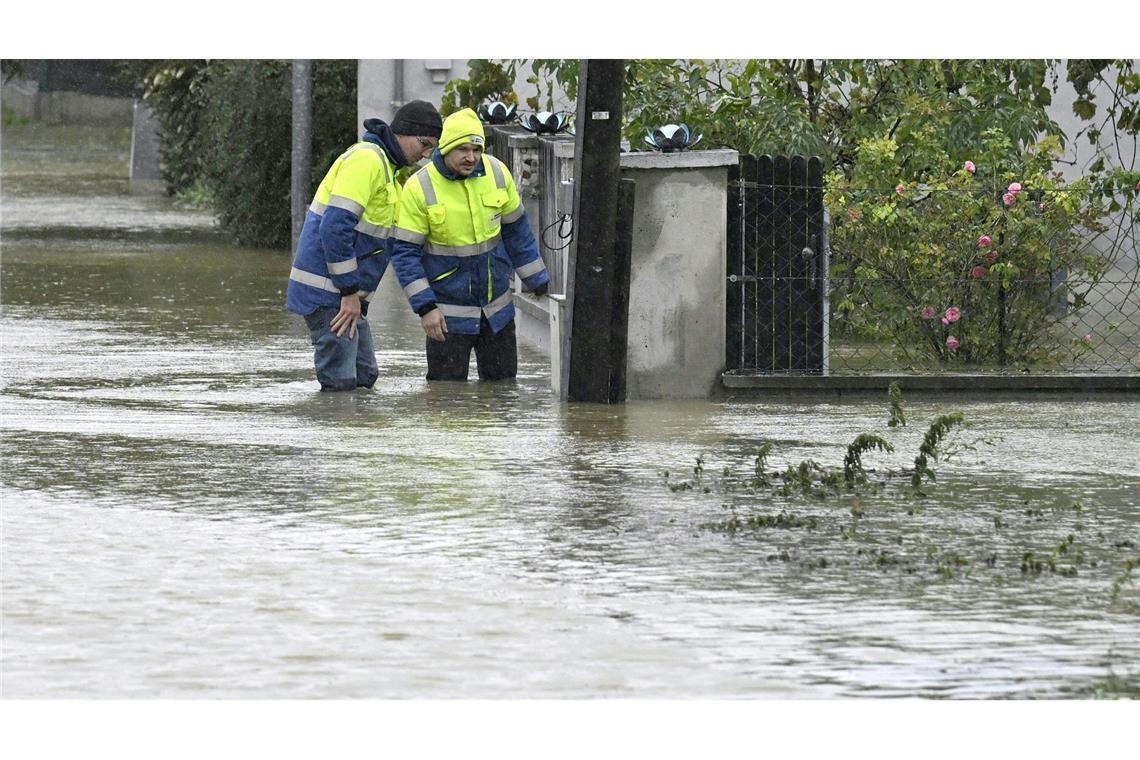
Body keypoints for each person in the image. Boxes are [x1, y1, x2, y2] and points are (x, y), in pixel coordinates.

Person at [286, 100, 442, 391]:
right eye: (425, 144)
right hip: (331, 295)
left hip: (344, 297)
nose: (426, 155)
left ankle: (354, 430)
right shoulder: (367, 161)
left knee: (364, 378)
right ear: (404, 133)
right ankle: (339, 431)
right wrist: (348, 292)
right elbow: (334, 226)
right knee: (341, 386)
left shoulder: (388, 173)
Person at [390, 108, 549, 381]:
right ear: (446, 148)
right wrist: (425, 308)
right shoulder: (420, 186)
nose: (471, 157)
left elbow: (517, 232)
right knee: (448, 402)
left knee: (503, 396)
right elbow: (404, 254)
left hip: (497, 313)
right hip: (446, 318)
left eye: (476, 149)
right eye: (463, 149)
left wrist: (538, 280)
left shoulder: (497, 173)